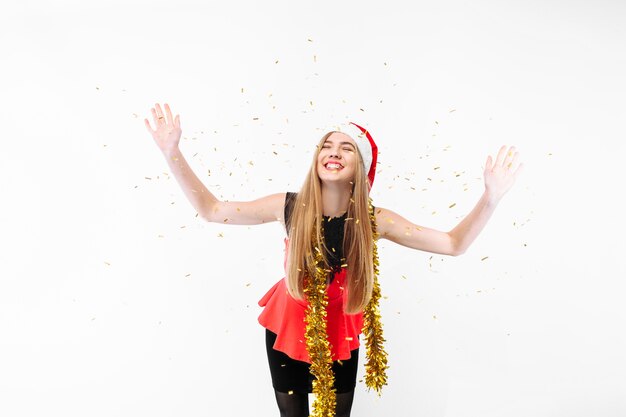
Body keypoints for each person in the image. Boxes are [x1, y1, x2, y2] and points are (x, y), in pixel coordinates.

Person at [144, 102, 523, 417]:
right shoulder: (288, 206)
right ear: (316, 159)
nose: (334, 152)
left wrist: (490, 198)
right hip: (287, 326)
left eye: (346, 148)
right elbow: (212, 210)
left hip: (340, 330)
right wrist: (171, 152)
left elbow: (453, 244)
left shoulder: (375, 220)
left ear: (361, 165)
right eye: (327, 145)